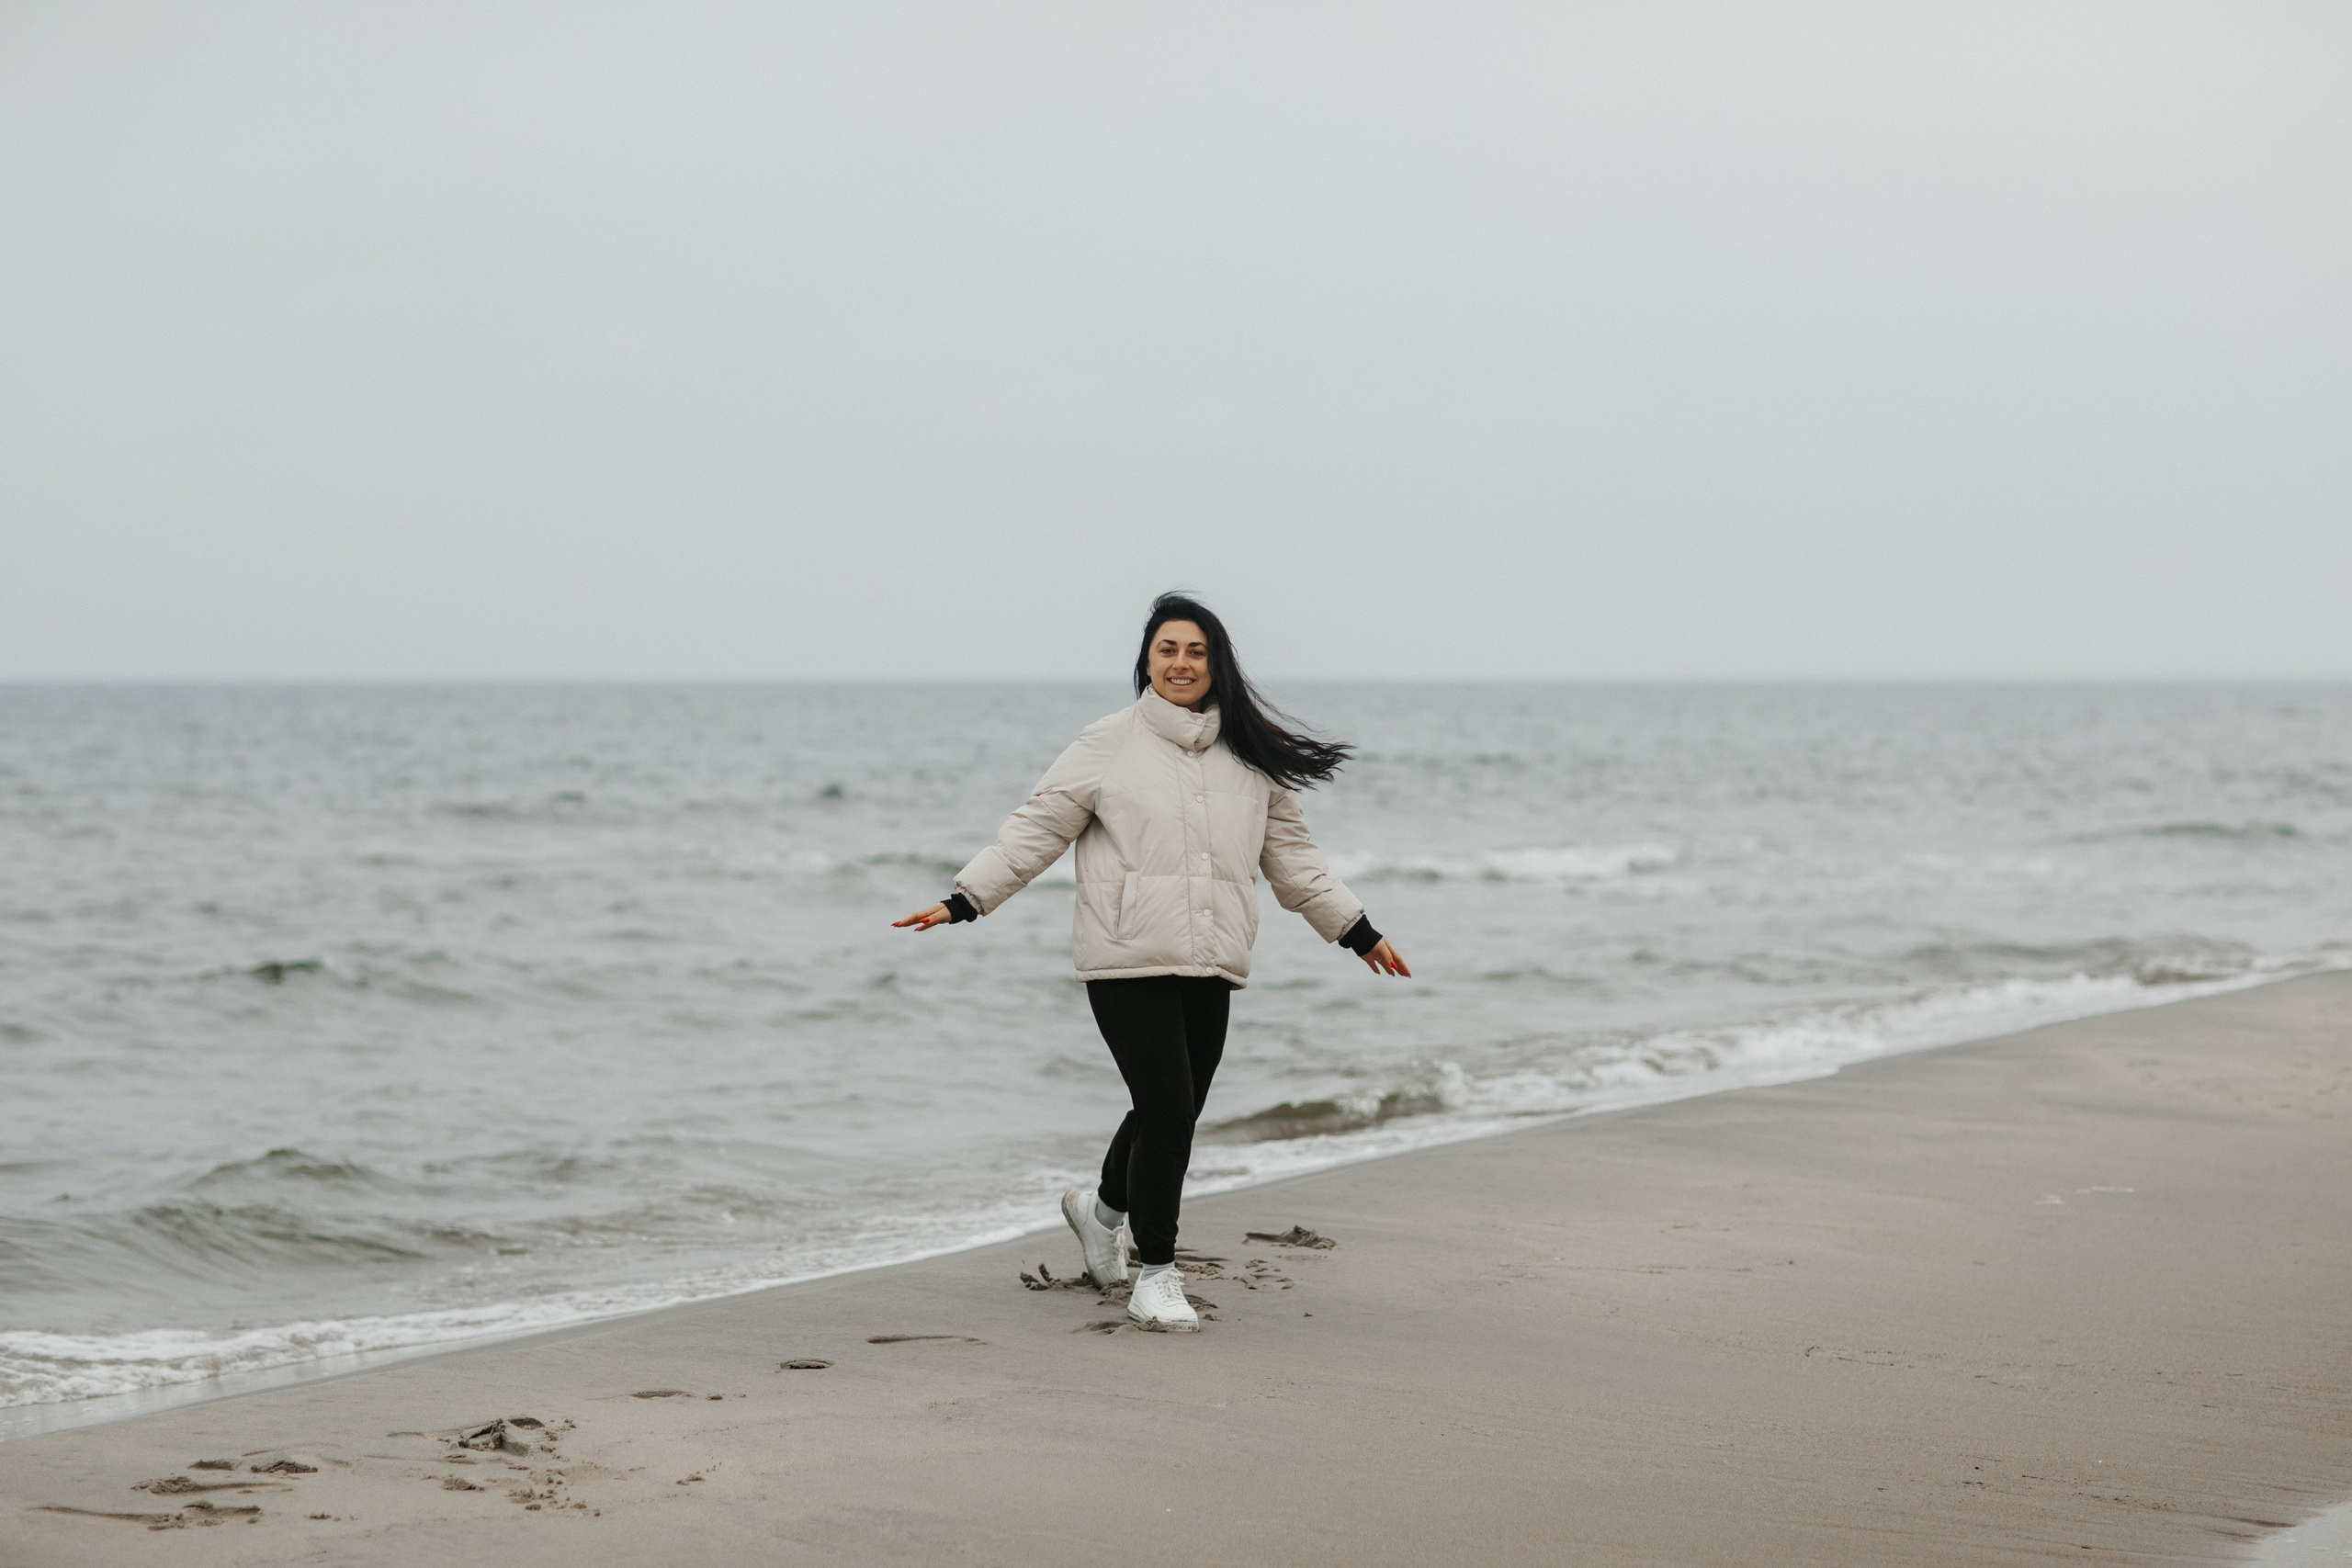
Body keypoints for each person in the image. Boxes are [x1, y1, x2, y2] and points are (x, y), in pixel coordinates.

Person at [894, 592, 1409, 1331]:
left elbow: (1295, 862)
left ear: (1216, 664)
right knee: (1169, 1110)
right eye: (1168, 649)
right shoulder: (1108, 742)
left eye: (1196, 651)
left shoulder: (1251, 758)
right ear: (1146, 660)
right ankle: (1157, 1274)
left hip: (1213, 957)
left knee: (1171, 1107)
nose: (1181, 662)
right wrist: (966, 897)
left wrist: (1357, 930)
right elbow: (1037, 827)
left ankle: (1101, 1212)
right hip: (1126, 954)